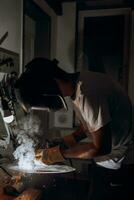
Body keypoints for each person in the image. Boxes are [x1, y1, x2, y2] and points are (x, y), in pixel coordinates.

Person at [15, 57, 134, 200]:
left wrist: (58, 154)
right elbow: (92, 125)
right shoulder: (83, 82)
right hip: (109, 160)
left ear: (52, 82)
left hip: (120, 163)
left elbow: (101, 147)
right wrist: (67, 140)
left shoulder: (87, 95)